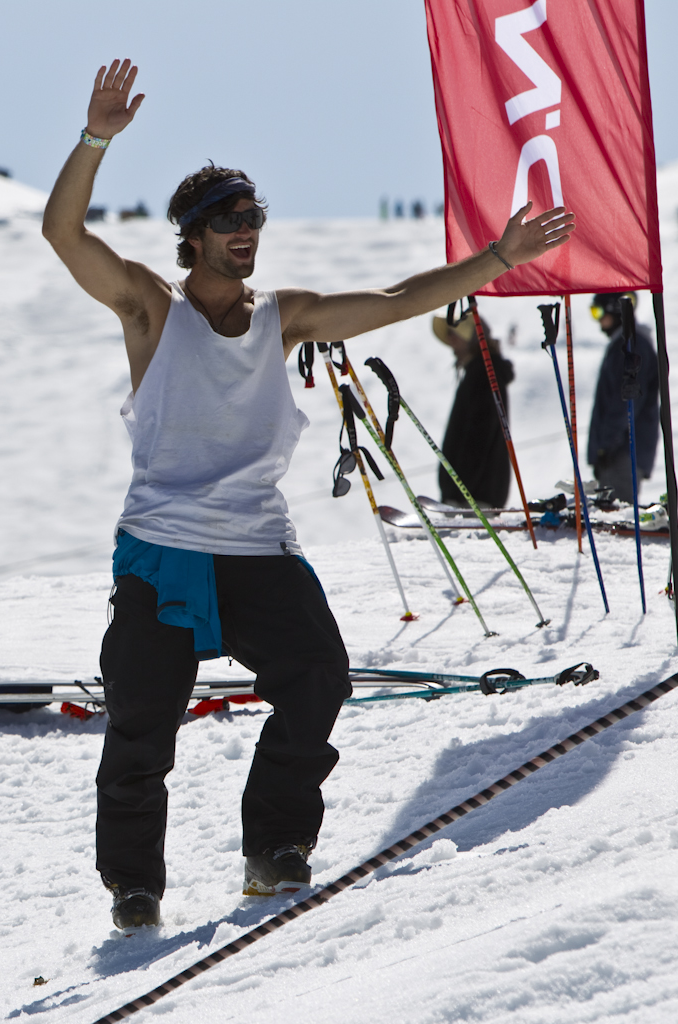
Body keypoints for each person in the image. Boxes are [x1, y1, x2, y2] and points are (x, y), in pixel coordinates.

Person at [41, 59, 574, 929]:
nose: (247, 232)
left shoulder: (282, 317)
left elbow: (400, 298)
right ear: (194, 236)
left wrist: (496, 259)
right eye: (229, 221)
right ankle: (135, 890)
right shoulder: (151, 310)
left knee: (319, 676)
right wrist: (97, 137)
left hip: (258, 547)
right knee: (141, 731)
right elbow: (65, 235)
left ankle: (274, 847)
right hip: (164, 549)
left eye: (253, 217)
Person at [432, 313, 514, 508]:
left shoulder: (484, 374)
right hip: (475, 495)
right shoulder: (480, 372)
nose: (450, 339)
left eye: (455, 333)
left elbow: (479, 438)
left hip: (473, 498)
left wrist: (457, 491)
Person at [585, 292, 659, 503]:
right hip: (619, 450)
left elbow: (627, 401)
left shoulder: (631, 347)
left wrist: (606, 445)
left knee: (615, 519)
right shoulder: (626, 345)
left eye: (598, 311)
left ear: (614, 310)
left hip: (623, 452)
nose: (598, 319)